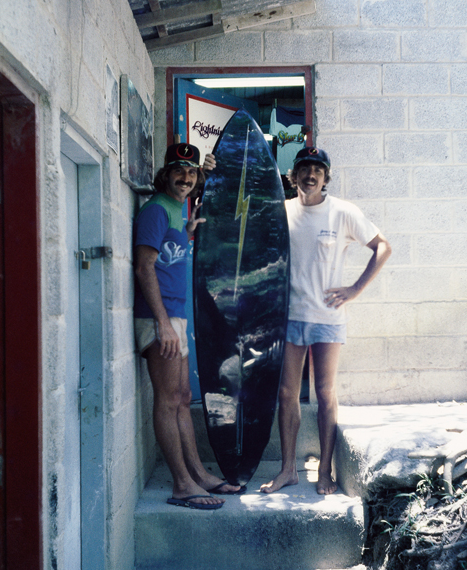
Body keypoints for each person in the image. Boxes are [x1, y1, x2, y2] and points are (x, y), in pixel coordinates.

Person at [260, 146, 392, 495]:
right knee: (287, 393)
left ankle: (325, 471)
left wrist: (354, 289)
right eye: (304, 168)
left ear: (326, 177)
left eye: (318, 170)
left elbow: (383, 247)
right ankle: (288, 469)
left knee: (324, 393)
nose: (311, 175)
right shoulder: (281, 211)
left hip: (327, 318)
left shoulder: (343, 213)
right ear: (294, 176)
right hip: (289, 317)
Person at [134, 142, 244, 509]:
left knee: (182, 398)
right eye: (178, 171)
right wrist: (162, 323)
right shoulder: (155, 210)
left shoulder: (176, 211)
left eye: (191, 172)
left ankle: (199, 475)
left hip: (174, 317)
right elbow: (144, 267)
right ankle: (182, 484)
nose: (185, 178)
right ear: (165, 174)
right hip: (158, 318)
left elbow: (169, 256)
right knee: (168, 401)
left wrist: (190, 230)